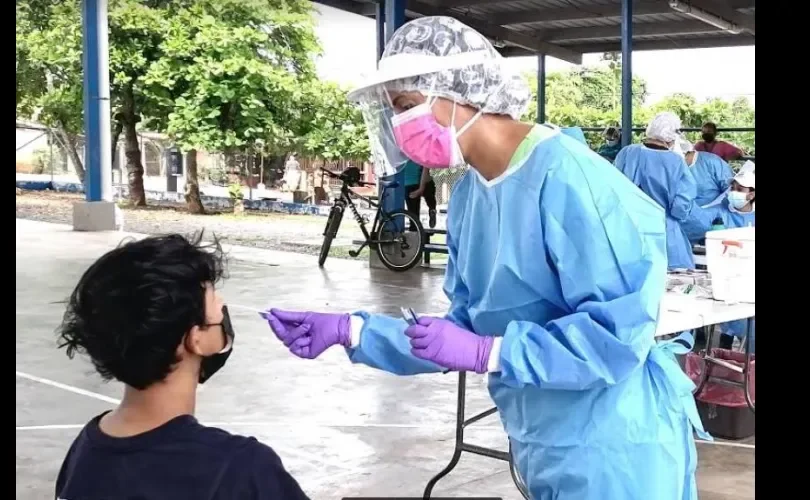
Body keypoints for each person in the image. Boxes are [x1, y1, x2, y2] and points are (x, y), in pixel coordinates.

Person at [262, 16, 707, 500]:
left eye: (407, 106)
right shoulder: (473, 196)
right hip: (540, 433)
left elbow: (615, 339)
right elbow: (463, 328)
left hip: (616, 441)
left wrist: (490, 352)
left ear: (456, 92)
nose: (400, 126)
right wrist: (353, 331)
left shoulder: (574, 181)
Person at [55, 233, 309, 500]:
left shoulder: (85, 452)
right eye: (216, 307)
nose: (223, 310)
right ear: (194, 338)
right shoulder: (238, 471)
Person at [614, 112, 699, 270]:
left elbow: (612, 187)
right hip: (663, 230)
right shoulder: (675, 163)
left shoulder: (627, 153)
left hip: (628, 226)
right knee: (674, 276)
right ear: (672, 138)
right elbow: (680, 207)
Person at [686, 164, 755, 352]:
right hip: (721, 274)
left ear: (751, 194)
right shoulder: (719, 211)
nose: (733, 192)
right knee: (725, 315)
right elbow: (694, 221)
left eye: (740, 189)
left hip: (749, 276)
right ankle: (723, 346)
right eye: (732, 188)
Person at [403, 159, 438, 228]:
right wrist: (421, 188)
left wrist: (421, 189)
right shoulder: (420, 152)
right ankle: (432, 208)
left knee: (414, 217)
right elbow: (425, 170)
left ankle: (415, 228)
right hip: (418, 182)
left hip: (410, 183)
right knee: (429, 184)